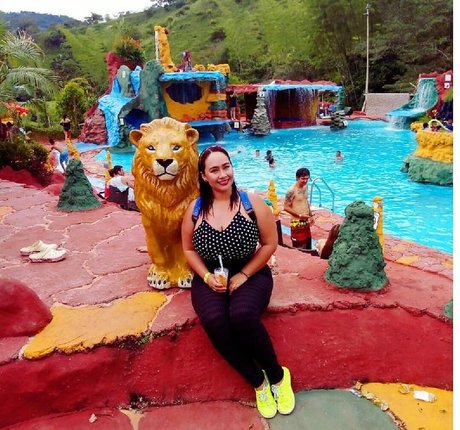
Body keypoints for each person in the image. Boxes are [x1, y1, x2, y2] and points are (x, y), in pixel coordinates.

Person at [181, 145, 295, 419]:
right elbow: (188, 249)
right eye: (214, 170)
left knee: (242, 315)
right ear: (204, 175)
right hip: (210, 274)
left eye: (226, 167)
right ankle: (258, 382)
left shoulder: (251, 203)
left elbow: (269, 244)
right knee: (215, 320)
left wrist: (243, 275)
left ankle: (278, 377)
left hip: (251, 271)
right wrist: (206, 276)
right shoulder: (195, 209)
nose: (223, 174)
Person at [283, 168, 314, 250]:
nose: (305, 181)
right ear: (297, 178)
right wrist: (299, 215)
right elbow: (286, 207)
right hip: (296, 222)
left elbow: (305, 201)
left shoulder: (305, 187)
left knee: (308, 244)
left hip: (305, 220)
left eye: (307, 178)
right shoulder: (291, 190)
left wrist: (310, 215)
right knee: (299, 248)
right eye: (303, 178)